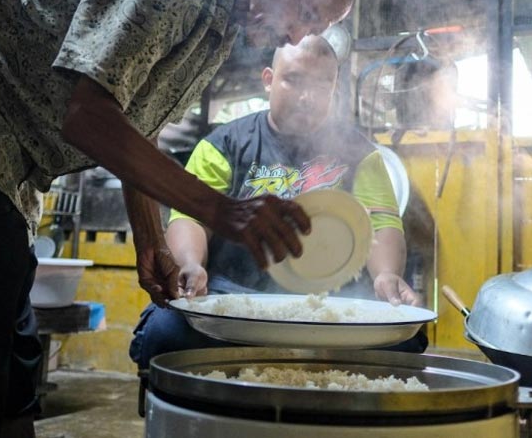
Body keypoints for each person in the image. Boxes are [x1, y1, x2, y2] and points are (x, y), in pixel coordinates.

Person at [0, 0, 355, 438]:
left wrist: (150, 240)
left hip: (8, 141)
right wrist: (221, 210)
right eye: (307, 13)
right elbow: (87, 117)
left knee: (11, 332)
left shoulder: (214, 33)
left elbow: (137, 124)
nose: (296, 36)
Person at [129, 35, 426, 370]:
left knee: (404, 342)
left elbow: (382, 223)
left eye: (321, 83)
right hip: (234, 300)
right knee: (163, 334)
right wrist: (190, 263)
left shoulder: (361, 154)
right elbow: (190, 218)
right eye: (293, 80)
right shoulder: (224, 144)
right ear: (269, 80)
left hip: (331, 307)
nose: (307, 97)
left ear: (334, 87)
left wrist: (386, 275)